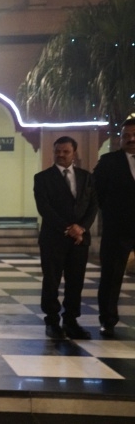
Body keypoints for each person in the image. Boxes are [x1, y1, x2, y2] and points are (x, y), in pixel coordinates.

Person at [33, 136, 97, 339]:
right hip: (53, 238)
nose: (60, 155)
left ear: (74, 153)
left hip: (79, 239)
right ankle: (52, 322)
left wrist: (82, 228)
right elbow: (45, 208)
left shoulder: (86, 177)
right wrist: (68, 228)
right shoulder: (42, 178)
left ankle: (71, 321)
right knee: (51, 280)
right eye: (57, 151)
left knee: (75, 281)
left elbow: (92, 206)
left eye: (65, 151)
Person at [93, 118, 135, 337]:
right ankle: (107, 321)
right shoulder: (109, 162)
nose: (131, 139)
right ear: (120, 138)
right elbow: (96, 193)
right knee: (111, 277)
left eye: (134, 135)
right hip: (117, 230)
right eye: (126, 136)